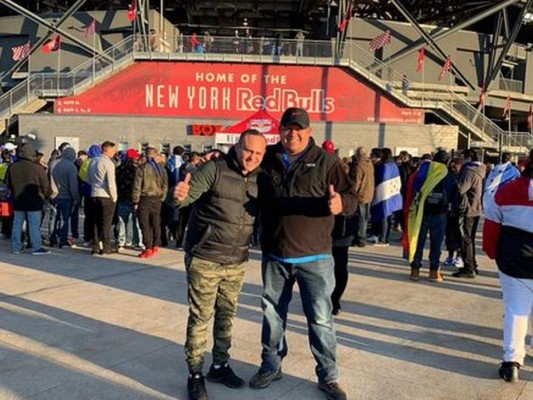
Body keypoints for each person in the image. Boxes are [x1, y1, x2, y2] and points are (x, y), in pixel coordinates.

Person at [250, 107, 357, 400]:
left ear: (309, 132)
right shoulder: (268, 158)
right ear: (280, 130)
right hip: (275, 256)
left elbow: (352, 198)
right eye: (287, 128)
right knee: (272, 316)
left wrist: (341, 205)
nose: (292, 134)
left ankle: (328, 376)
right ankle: (271, 366)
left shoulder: (327, 161)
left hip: (315, 258)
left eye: (298, 128)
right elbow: (241, 163)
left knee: (320, 319)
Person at [172, 130, 267, 400]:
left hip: (236, 261)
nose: (252, 157)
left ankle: (220, 365)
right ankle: (195, 374)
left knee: (226, 316)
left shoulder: (261, 178)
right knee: (201, 318)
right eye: (248, 150)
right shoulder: (214, 169)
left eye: (259, 154)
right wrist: (178, 195)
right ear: (237, 147)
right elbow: (184, 198)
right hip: (205, 257)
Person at [483, 148, 533, 383]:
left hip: (515, 261)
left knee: (516, 310)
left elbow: (492, 225)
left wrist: (492, 253)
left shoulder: (507, 191)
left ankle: (512, 362)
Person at [404, 150, 455, 282]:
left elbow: (413, 189)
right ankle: (433, 272)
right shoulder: (448, 176)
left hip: (422, 212)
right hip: (440, 214)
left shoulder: (423, 173)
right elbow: (454, 195)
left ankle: (414, 271)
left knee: (418, 241)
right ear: (447, 162)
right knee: (436, 244)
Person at [5, 144, 51, 255]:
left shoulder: (12, 167)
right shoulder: (37, 168)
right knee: (34, 225)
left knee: (17, 224)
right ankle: (36, 247)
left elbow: (8, 183)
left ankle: (16, 246)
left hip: (18, 200)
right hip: (34, 201)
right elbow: (45, 185)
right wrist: (46, 196)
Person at [452, 148, 485, 278]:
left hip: (467, 209)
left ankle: (469, 267)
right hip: (475, 208)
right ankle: (472, 265)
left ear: (468, 158)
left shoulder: (468, 172)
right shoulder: (480, 170)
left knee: (465, 239)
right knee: (469, 239)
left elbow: (460, 189)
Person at [132, 145, 168, 258]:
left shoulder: (141, 168)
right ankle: (156, 244)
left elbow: (137, 186)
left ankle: (148, 247)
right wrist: (162, 197)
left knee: (145, 224)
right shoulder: (161, 169)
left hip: (145, 198)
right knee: (156, 222)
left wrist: (135, 201)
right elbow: (165, 185)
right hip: (157, 198)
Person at [88, 141, 117, 255]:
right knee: (106, 222)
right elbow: (111, 182)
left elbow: (89, 179)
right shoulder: (108, 163)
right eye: (113, 150)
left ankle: (95, 246)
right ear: (107, 150)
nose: (114, 152)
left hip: (94, 193)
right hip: (105, 195)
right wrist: (114, 197)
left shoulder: (93, 161)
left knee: (95, 221)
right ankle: (106, 246)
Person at [349, 146, 374, 247]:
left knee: (360, 217)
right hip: (369, 193)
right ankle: (361, 237)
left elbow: (356, 181)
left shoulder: (359, 165)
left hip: (361, 194)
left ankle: (360, 238)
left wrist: (352, 193)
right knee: (365, 217)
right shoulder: (369, 163)